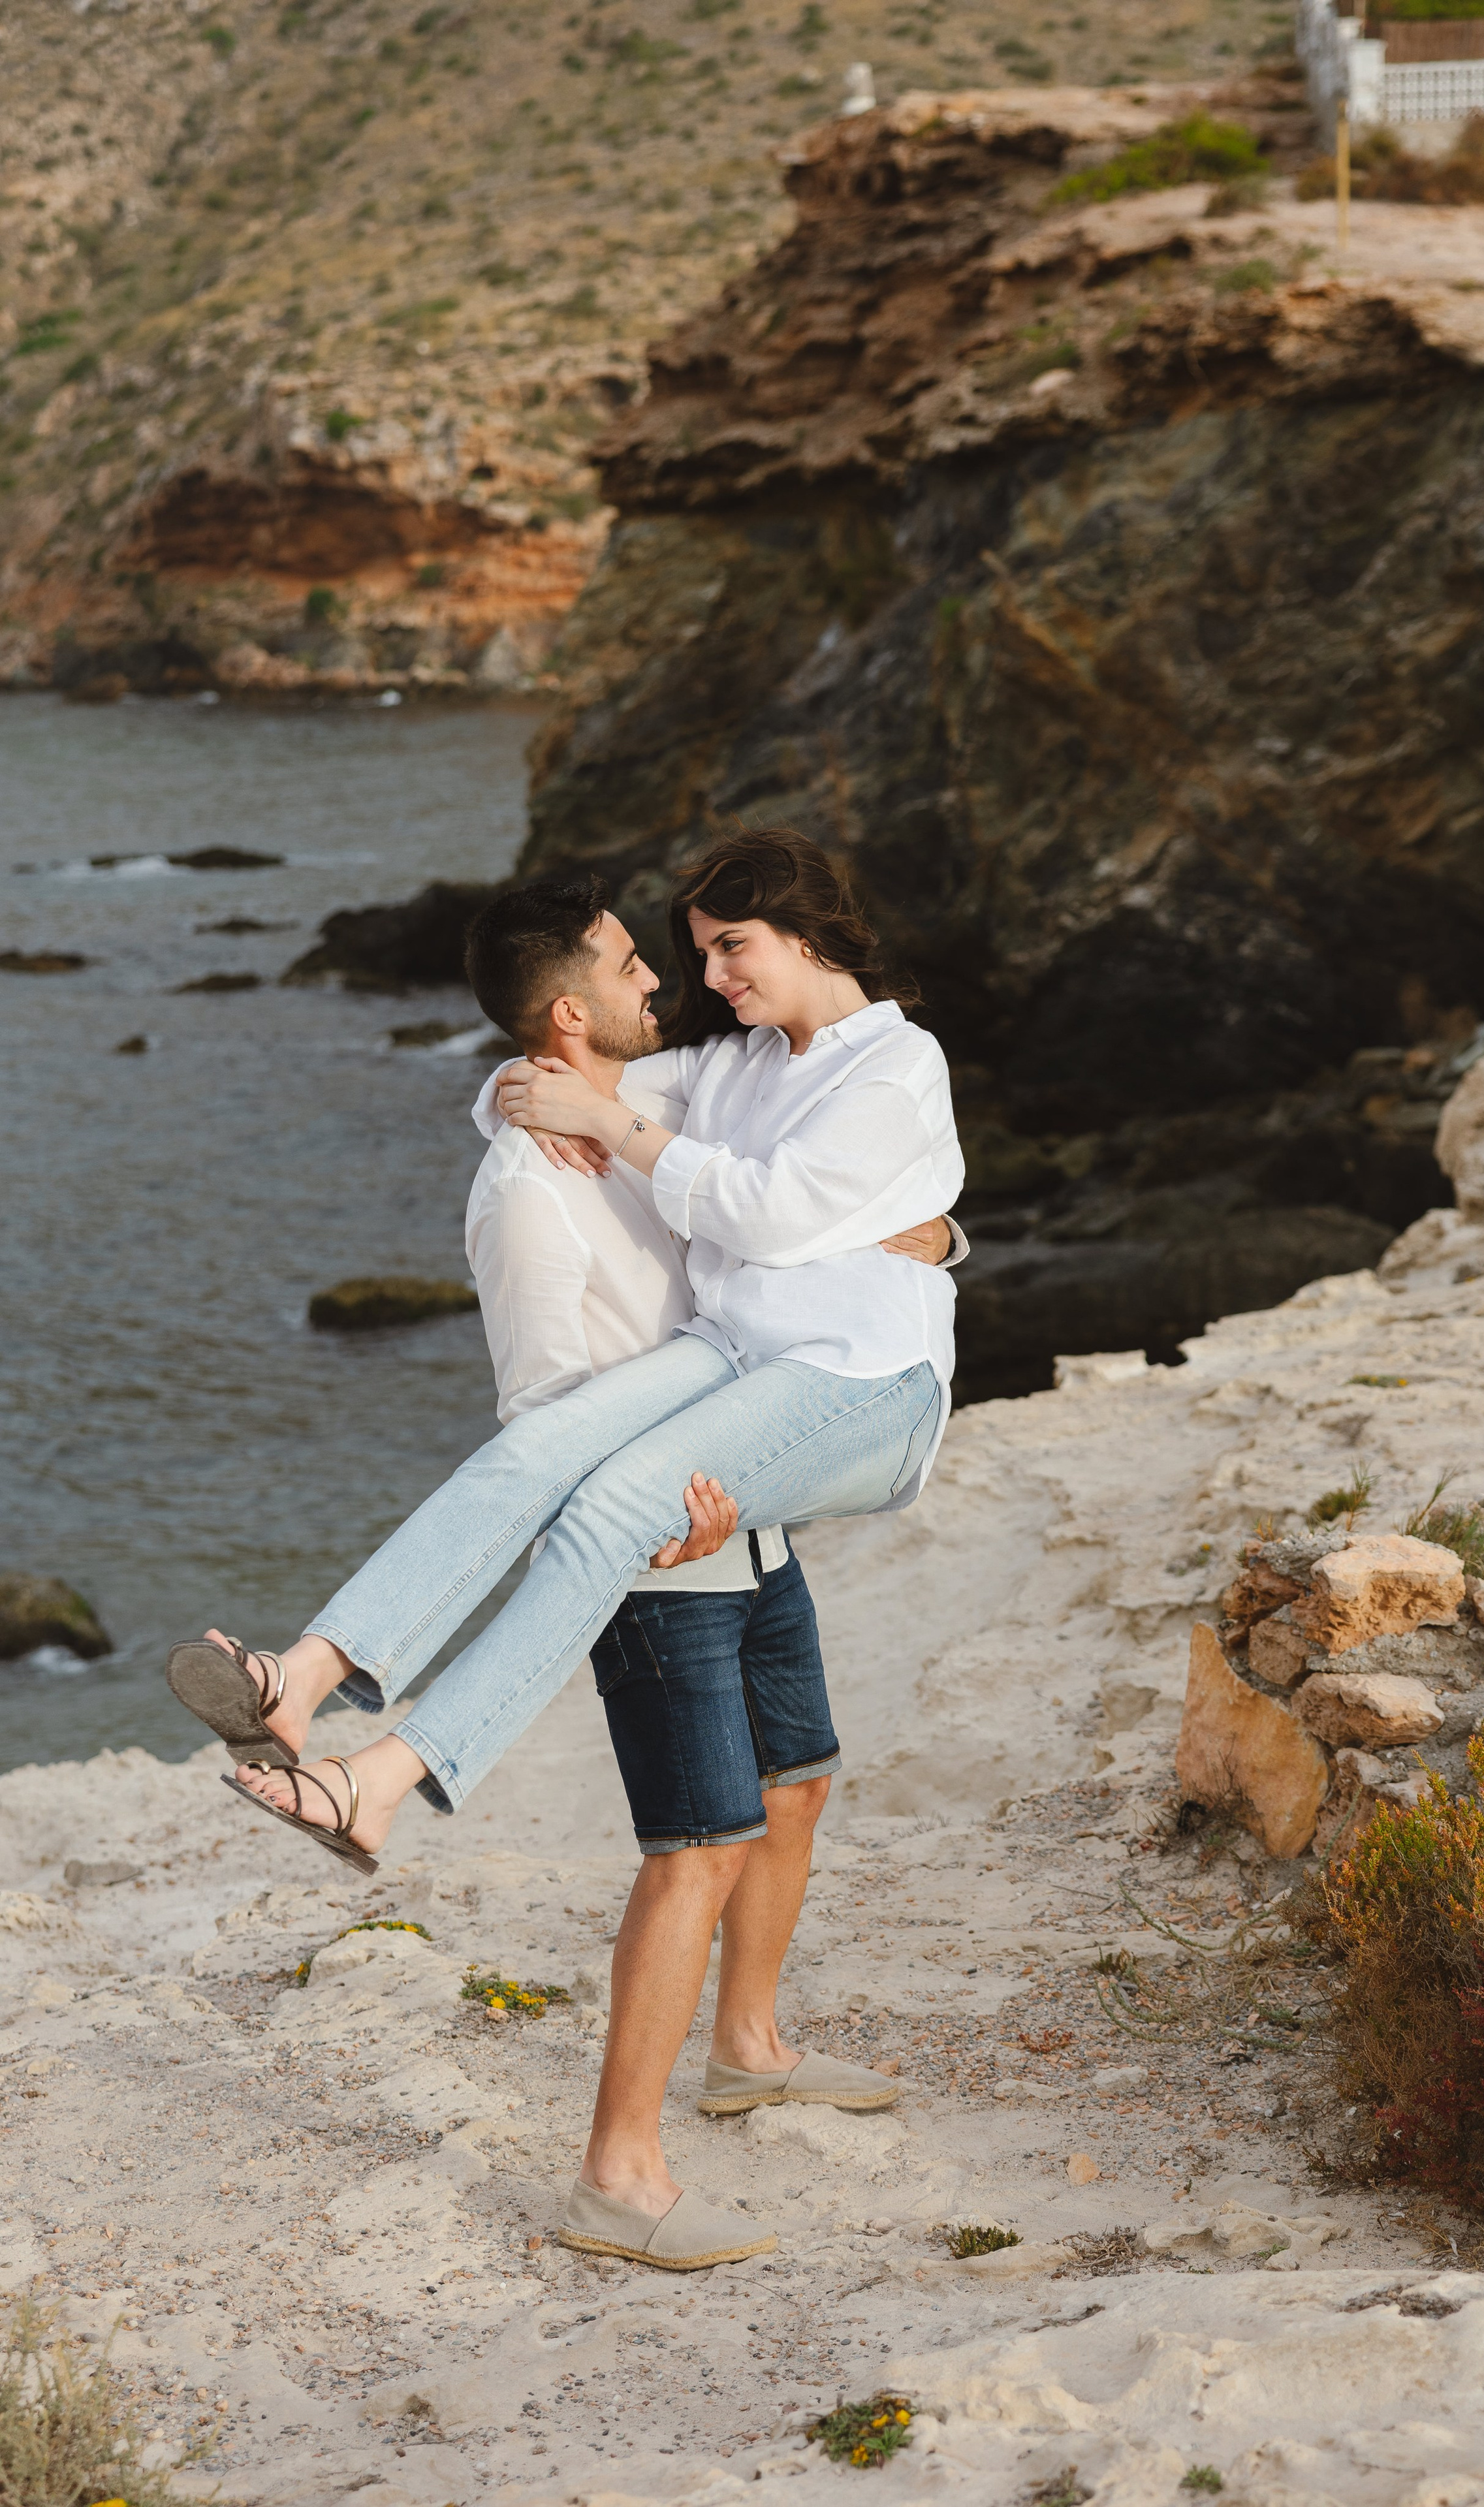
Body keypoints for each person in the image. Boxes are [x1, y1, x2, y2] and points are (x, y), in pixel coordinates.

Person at [170, 867, 960, 2270]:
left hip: (772, 1422)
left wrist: (940, 1229)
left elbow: (785, 1211)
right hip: (686, 1485)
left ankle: (742, 2040)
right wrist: (547, 1107)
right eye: (666, 959)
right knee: (688, 1807)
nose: (691, 977)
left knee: (793, 1779)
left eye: (726, 950)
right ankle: (343, 1724)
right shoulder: (626, 1129)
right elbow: (548, 1393)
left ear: (812, 935)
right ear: (565, 1016)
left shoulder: (826, 1071)